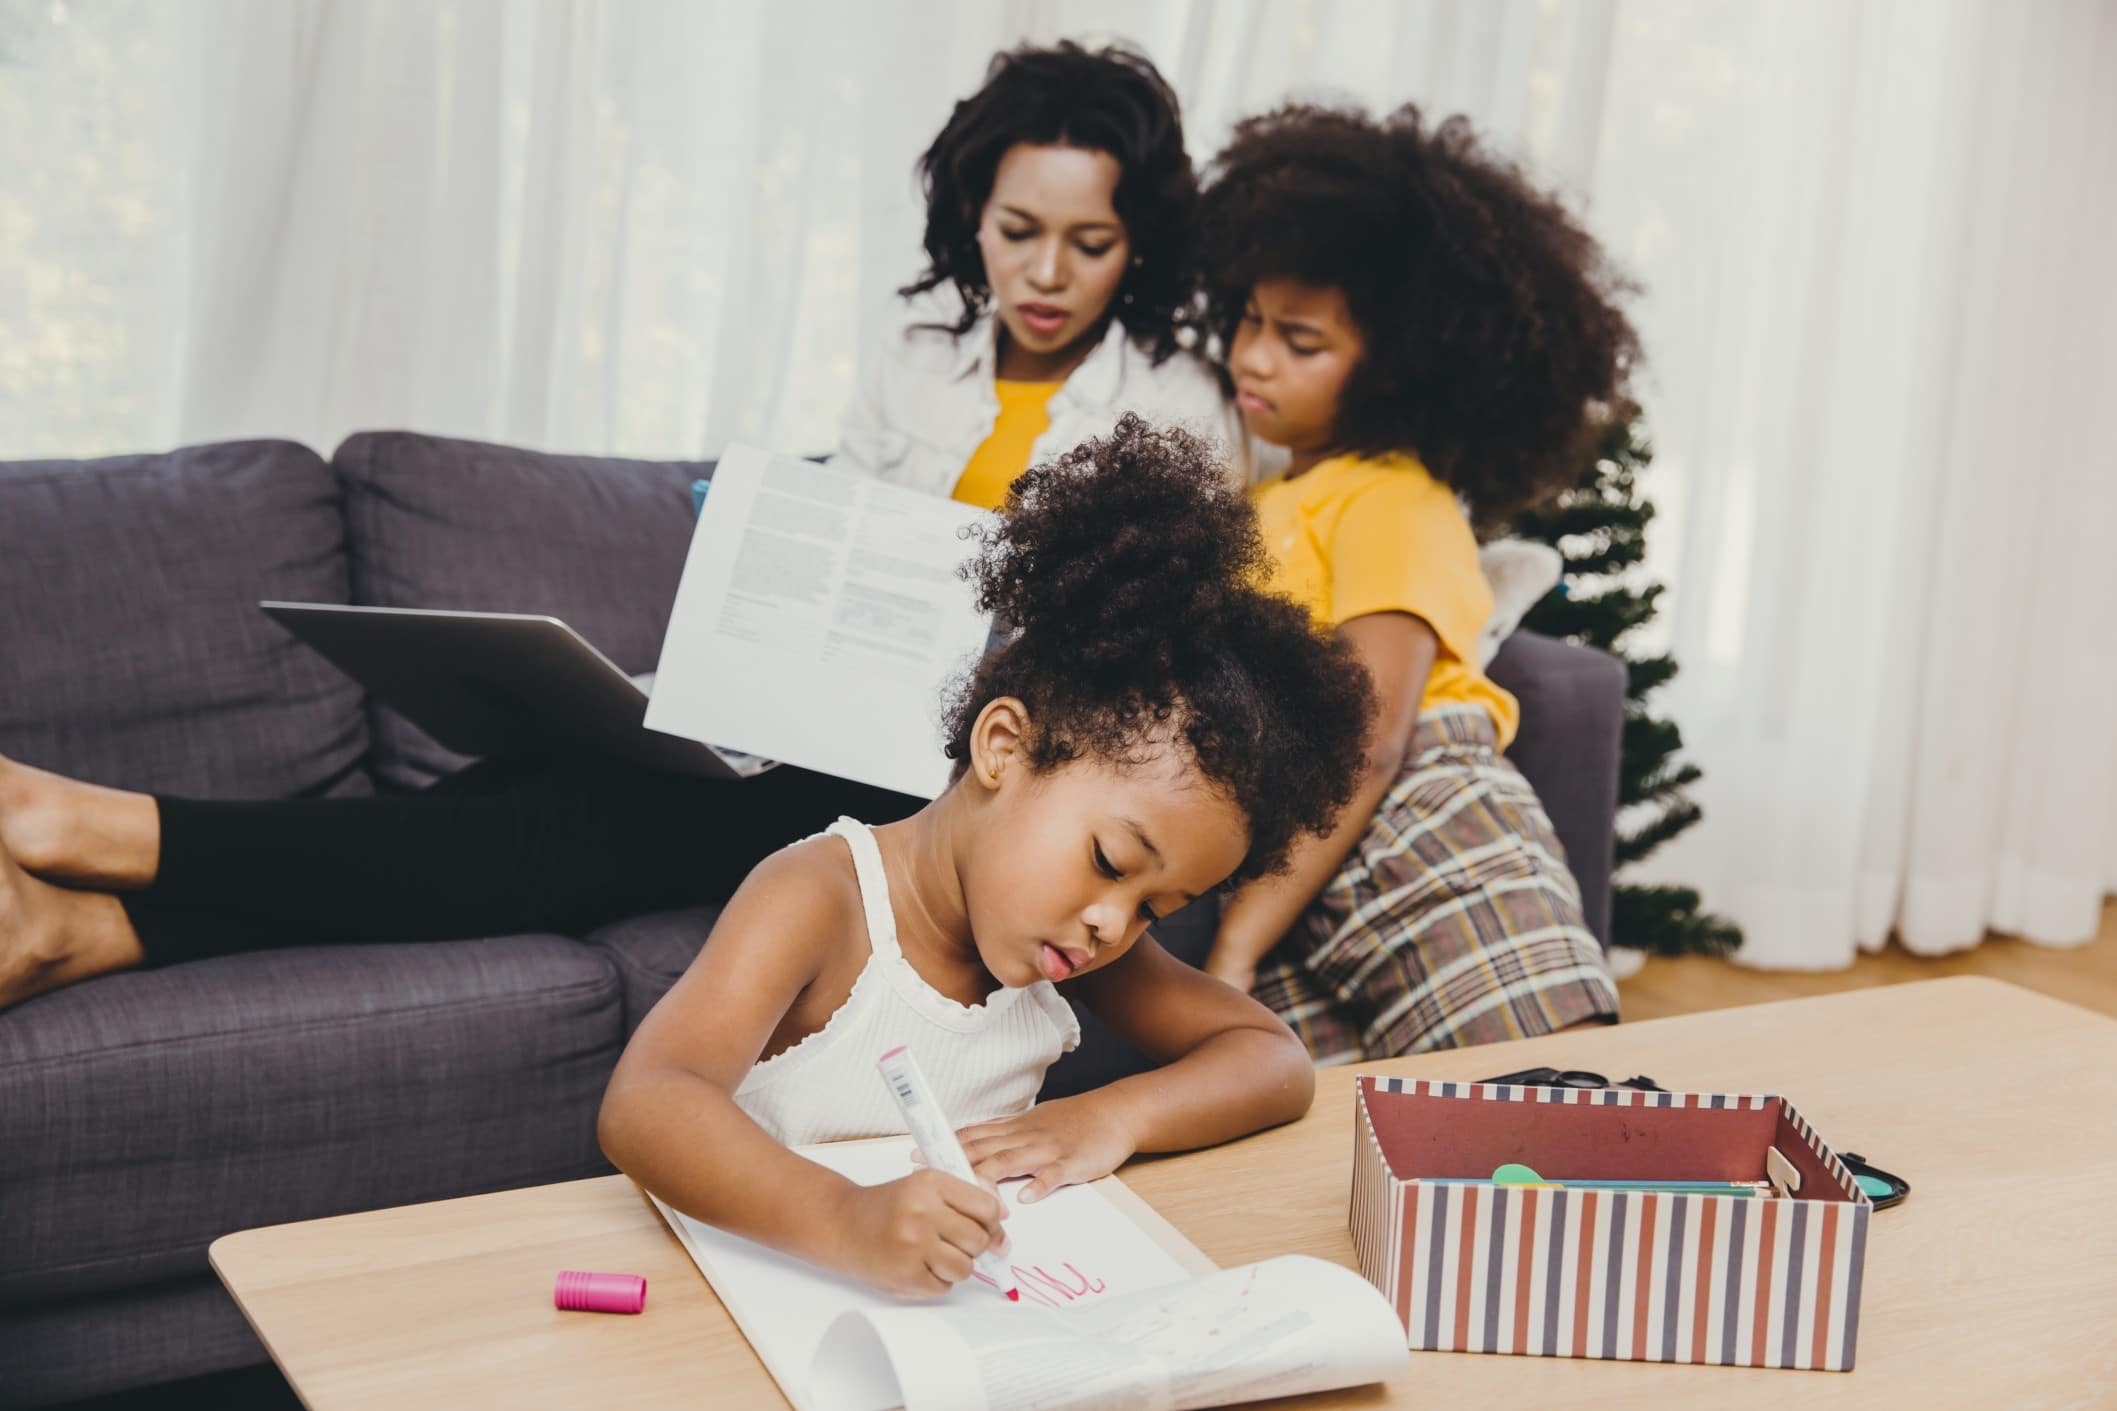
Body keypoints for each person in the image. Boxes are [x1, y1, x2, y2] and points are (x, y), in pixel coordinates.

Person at [0, 42, 1247, 1011]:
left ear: (1137, 247)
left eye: (1088, 245)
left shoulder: (1176, 397)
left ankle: (99, 830)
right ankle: (84, 928)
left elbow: (1145, 667)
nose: (1042, 274)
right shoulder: (915, 358)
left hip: (954, 774)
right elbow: (847, 538)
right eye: (1016, 232)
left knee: (556, 827)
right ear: (968, 217)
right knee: (539, 787)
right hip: (811, 714)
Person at [598, 419, 1372, 1296]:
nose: (1115, 921)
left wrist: (1108, 1116)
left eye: (1160, 907)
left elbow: (1272, 1060)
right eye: (1113, 861)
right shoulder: (821, 896)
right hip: (767, 1292)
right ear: (1004, 745)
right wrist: (843, 1219)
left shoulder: (1075, 944)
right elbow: (650, 1099)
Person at [1189, 102, 1641, 1063]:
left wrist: (1234, 942)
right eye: (1250, 321)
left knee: (1540, 1107)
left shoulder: (1393, 499)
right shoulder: (1275, 492)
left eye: (1299, 340)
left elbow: (1371, 731)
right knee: (1348, 1156)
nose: (1253, 355)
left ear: (1401, 370)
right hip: (1309, 853)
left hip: (1427, 832)